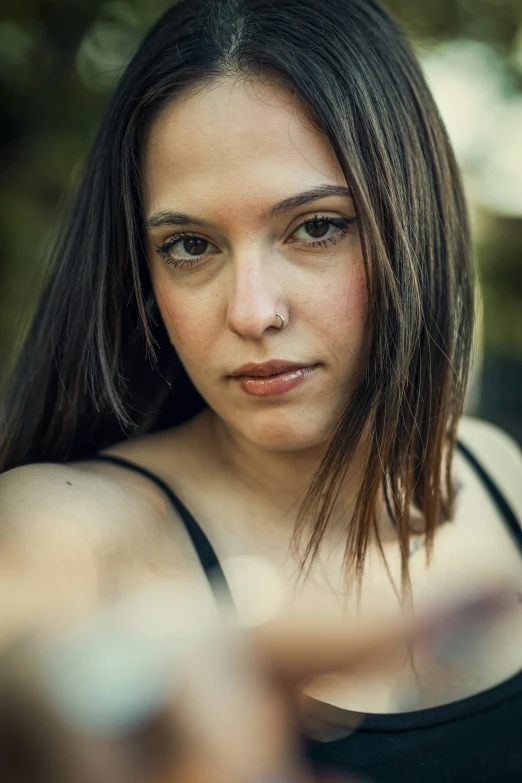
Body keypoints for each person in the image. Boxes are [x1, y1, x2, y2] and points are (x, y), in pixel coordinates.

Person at [0, 0, 521, 780]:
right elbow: (29, 654)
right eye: (189, 245)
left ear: (415, 221)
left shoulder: (499, 474)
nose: (251, 311)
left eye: (316, 227)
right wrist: (72, 689)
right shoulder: (61, 530)